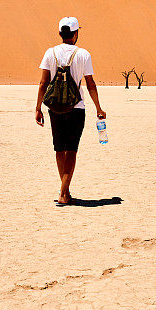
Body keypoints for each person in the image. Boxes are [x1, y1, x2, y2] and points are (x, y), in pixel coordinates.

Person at [35, 16, 106, 206]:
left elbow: (43, 82)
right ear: (76, 34)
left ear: (60, 33)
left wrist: (38, 108)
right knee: (71, 150)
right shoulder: (83, 54)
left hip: (54, 108)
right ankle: (63, 192)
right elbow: (90, 83)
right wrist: (98, 107)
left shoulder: (50, 53)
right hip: (76, 108)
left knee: (59, 149)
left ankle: (64, 192)